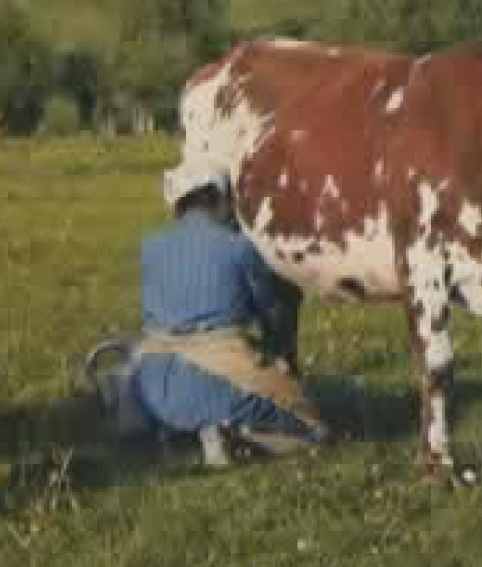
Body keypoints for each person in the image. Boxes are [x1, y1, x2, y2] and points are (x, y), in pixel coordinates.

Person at [120, 161, 329, 465]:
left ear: (178, 206)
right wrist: (278, 351)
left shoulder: (148, 246)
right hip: (220, 372)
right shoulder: (239, 247)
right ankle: (237, 437)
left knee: (170, 389)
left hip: (153, 375)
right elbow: (272, 311)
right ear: (221, 201)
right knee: (313, 430)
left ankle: (178, 434)